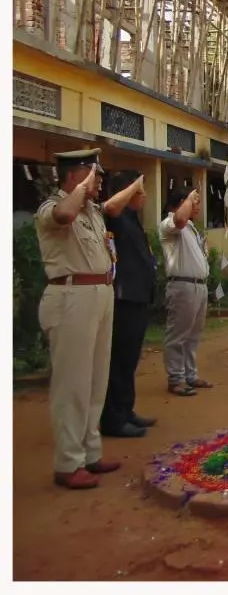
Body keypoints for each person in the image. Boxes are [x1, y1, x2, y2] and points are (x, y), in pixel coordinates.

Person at [35, 148, 140, 489]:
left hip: (100, 294)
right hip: (71, 297)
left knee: (96, 380)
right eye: (93, 172)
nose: (100, 179)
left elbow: (112, 208)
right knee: (73, 385)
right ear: (74, 175)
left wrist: (96, 188)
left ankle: (89, 453)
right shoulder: (52, 207)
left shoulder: (93, 210)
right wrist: (82, 188)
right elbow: (64, 215)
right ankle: (68, 463)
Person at [100, 170, 158, 439]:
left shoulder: (132, 219)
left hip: (138, 297)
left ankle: (126, 409)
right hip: (124, 299)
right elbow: (111, 206)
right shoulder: (115, 215)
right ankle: (114, 418)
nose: (143, 195)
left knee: (130, 360)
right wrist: (133, 185)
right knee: (119, 360)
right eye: (138, 190)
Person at [160, 186, 212, 397]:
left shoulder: (191, 227)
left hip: (199, 286)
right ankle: (176, 378)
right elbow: (179, 219)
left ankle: (190, 374)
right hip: (182, 285)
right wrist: (188, 200)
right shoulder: (169, 223)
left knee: (193, 335)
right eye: (193, 202)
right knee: (178, 334)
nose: (197, 206)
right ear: (182, 203)